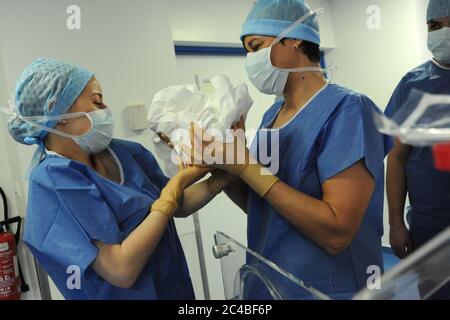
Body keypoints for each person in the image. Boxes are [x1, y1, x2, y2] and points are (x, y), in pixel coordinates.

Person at [186, 0, 392, 300]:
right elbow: (264, 208)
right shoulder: (272, 117)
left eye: (256, 46)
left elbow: (337, 233)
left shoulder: (348, 110)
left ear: (295, 38)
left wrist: (246, 167)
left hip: (329, 288)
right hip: (268, 282)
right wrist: (225, 170)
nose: (250, 59)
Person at [4, 58, 233, 300]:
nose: (106, 108)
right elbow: (121, 269)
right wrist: (173, 190)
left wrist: (218, 180)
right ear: (58, 111)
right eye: (97, 101)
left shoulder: (127, 153)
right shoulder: (53, 181)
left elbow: (180, 203)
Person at [385, 0, 450, 299]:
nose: (443, 33)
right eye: (435, 26)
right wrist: (396, 224)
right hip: (430, 225)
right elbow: (397, 159)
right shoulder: (413, 85)